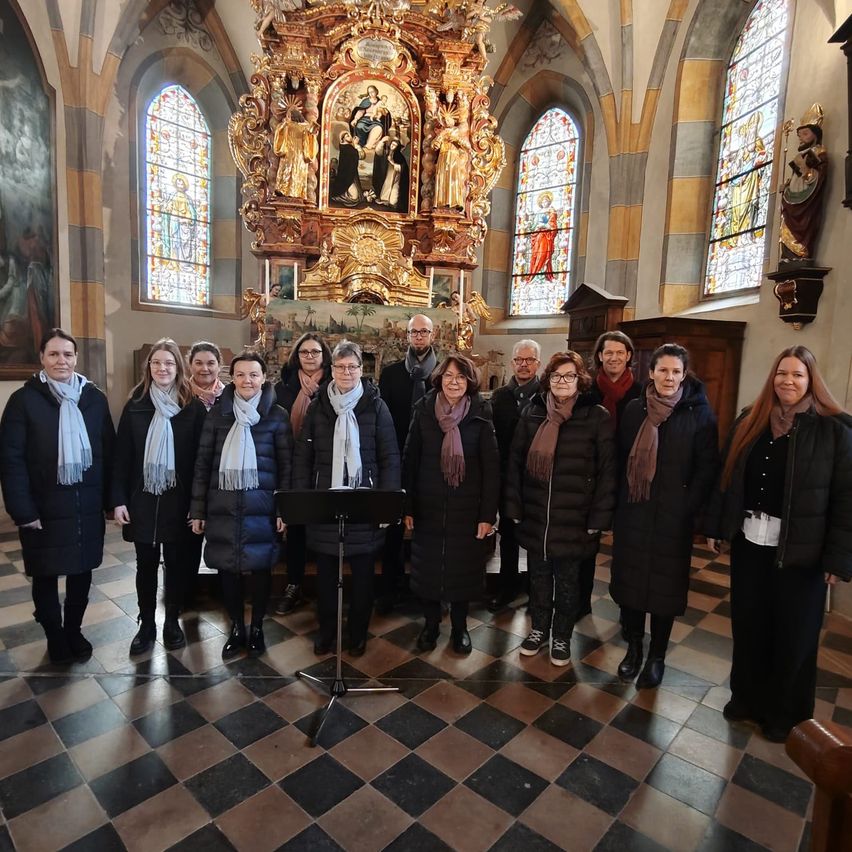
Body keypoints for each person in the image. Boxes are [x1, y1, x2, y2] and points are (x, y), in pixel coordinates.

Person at [705, 346, 851, 742]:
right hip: (752, 542)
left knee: (795, 634)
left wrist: (839, 559)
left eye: (797, 375)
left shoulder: (834, 430)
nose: (788, 381)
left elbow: (845, 499)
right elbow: (728, 478)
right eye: (782, 374)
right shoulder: (750, 421)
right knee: (750, 625)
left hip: (803, 552)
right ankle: (747, 700)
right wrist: (719, 527)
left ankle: (785, 716)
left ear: (811, 381)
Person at [0, 329, 115, 663]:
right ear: (42, 358)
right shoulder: (24, 401)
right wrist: (23, 510)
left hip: (86, 506)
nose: (61, 360)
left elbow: (107, 453)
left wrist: (109, 502)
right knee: (46, 574)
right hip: (43, 508)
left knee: (82, 573)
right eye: (54, 354)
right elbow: (11, 460)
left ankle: (74, 630)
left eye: (68, 354)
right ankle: (54, 636)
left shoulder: (94, 399)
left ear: (76, 358)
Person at [609, 343, 719, 689]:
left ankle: (657, 656)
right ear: (651, 372)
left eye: (676, 371)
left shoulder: (700, 413)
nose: (669, 377)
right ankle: (635, 649)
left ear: (684, 375)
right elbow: (619, 458)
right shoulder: (633, 410)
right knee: (631, 583)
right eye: (663, 370)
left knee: (664, 589)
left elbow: (707, 468)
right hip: (634, 511)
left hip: (674, 517)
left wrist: (688, 506)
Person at [504, 351, 616, 665]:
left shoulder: (596, 416)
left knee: (568, 581)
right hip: (537, 512)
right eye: (556, 376)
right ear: (547, 380)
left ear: (580, 379)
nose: (562, 382)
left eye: (568, 376)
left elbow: (608, 471)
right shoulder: (533, 412)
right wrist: (513, 505)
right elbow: (515, 461)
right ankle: (539, 629)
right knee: (539, 577)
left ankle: (562, 636)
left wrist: (599, 517)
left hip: (576, 516)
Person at [293, 341, 400, 657]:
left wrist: (387, 503)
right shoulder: (318, 406)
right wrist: (303, 501)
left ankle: (357, 633)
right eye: (340, 366)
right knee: (326, 578)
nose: (346, 372)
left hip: (363, 501)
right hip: (325, 502)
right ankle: (326, 632)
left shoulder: (376, 406)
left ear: (361, 370)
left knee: (364, 577)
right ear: (332, 369)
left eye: (352, 366)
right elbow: (303, 456)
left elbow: (389, 456)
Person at [191, 352, 292, 659]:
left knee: (261, 570)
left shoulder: (277, 415)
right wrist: (197, 510)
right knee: (227, 571)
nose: (247, 380)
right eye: (240, 374)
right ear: (231, 378)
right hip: (223, 505)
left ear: (264, 378)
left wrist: (283, 510)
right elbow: (203, 463)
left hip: (261, 507)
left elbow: (286, 468)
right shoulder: (218, 414)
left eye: (253, 374)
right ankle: (237, 627)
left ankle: (258, 627)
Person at [112, 339, 207, 655]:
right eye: (157, 363)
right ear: (148, 368)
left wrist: (197, 506)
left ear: (178, 368)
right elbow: (121, 457)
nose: (162, 368)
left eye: (168, 363)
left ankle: (171, 621)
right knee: (145, 565)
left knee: (177, 565)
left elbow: (200, 462)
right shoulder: (135, 404)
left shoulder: (191, 407)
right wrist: (119, 500)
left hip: (178, 501)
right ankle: (147, 624)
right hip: (142, 500)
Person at [403, 354, 499, 654]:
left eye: (460, 377)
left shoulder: (481, 414)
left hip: (467, 509)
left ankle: (460, 628)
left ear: (469, 382)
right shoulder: (423, 411)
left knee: (463, 570)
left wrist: (487, 514)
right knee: (428, 569)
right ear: (439, 379)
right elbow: (410, 461)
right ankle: (431, 626)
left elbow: (492, 468)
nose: (454, 382)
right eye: (448, 376)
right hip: (428, 506)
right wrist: (407, 506)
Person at [377, 314, 437, 614]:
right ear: (407, 336)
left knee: (428, 524)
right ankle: (391, 586)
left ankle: (426, 587)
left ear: (433, 335)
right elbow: (383, 419)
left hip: (432, 462)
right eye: (414, 332)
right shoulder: (390, 374)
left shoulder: (443, 373)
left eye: (424, 331)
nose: (419, 336)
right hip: (397, 457)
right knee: (394, 527)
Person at [580, 330, 643, 618]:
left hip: (630, 476)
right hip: (593, 473)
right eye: (609, 353)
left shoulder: (642, 392)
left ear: (629, 355)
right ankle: (580, 600)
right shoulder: (589, 391)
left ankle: (627, 605)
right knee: (586, 540)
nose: (614, 358)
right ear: (600, 357)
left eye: (620, 352)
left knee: (629, 542)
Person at [273, 332, 332, 615]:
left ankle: (325, 585)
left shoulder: (334, 387)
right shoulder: (281, 389)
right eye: (305, 352)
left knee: (323, 526)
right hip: (290, 463)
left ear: (325, 356)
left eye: (315, 352)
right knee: (295, 525)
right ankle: (294, 584)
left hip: (323, 465)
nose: (310, 357)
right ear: (296, 356)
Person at [487, 338, 541, 612]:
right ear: (512, 363)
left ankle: (535, 590)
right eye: (519, 360)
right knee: (507, 534)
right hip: (508, 477)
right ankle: (507, 587)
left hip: (537, 480)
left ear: (538, 364)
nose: (523, 364)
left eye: (529, 360)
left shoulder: (547, 395)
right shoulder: (499, 397)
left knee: (534, 536)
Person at [273, 106, 319, 201]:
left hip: (300, 155)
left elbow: (311, 137)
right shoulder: (286, 125)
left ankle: (298, 192)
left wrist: (312, 133)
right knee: (286, 171)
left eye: (290, 114)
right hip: (288, 153)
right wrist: (284, 124)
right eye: (287, 115)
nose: (288, 116)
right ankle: (282, 190)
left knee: (299, 172)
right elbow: (279, 132)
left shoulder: (305, 126)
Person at [432, 114, 471, 210]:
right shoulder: (442, 133)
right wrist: (437, 142)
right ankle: (441, 202)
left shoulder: (457, 132)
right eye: (444, 120)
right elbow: (434, 145)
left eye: (447, 120)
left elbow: (468, 147)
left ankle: (454, 202)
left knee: (454, 179)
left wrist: (457, 140)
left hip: (453, 158)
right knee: (442, 178)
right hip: (443, 158)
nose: (446, 122)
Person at [188, 341, 225, 411]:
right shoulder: (180, 394)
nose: (205, 369)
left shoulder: (228, 395)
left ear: (219, 366)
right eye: (199, 363)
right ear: (190, 366)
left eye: (210, 363)